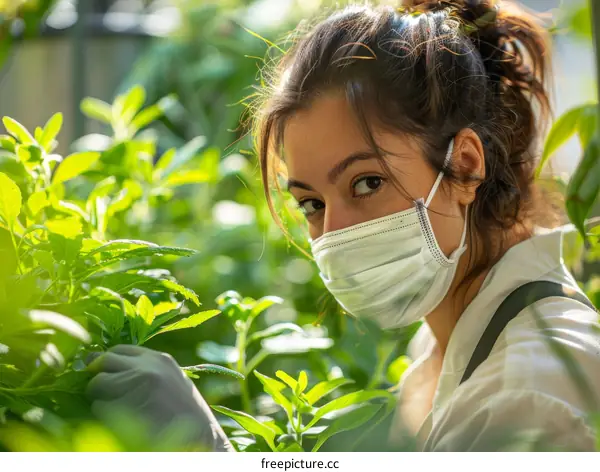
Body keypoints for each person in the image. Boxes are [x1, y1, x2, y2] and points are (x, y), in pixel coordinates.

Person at [86, 0, 600, 452]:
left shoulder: (530, 394)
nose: (336, 233)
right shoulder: (444, 337)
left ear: (464, 165)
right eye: (311, 203)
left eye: (366, 182)